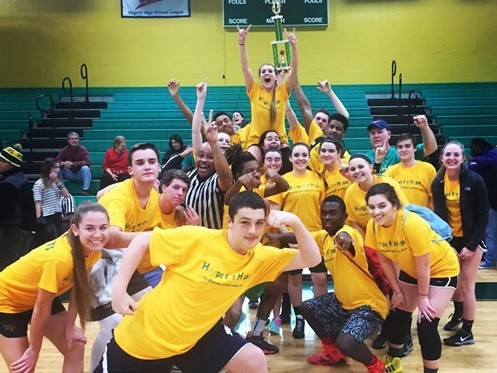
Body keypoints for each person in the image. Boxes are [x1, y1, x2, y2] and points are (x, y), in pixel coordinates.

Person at [96, 191, 321, 373]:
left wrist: (296, 222)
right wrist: (119, 291)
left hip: (196, 337)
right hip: (143, 341)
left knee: (252, 359)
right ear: (229, 222)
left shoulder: (261, 258)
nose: (253, 231)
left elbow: (312, 258)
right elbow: (142, 241)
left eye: (259, 223)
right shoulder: (198, 238)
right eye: (245, 222)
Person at [89, 169, 198, 372]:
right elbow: (100, 195)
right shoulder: (147, 198)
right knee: (112, 323)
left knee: (159, 312)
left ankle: (161, 359)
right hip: (110, 263)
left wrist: (192, 230)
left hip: (146, 270)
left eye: (184, 189)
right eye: (175, 187)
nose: (180, 193)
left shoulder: (181, 218)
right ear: (163, 187)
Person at [0, 202, 109, 373]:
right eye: (90, 228)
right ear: (74, 229)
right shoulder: (60, 259)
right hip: (8, 301)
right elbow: (42, 308)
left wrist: (70, 326)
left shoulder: (93, 249)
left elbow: (79, 290)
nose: (97, 234)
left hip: (37, 299)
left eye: (103, 228)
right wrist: (34, 350)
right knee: (22, 368)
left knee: (75, 345)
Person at [365, 183, 460, 373]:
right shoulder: (374, 226)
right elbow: (384, 261)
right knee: (399, 313)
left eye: (382, 206)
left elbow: (424, 265)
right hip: (412, 270)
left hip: (441, 269)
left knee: (426, 322)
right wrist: (398, 291)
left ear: (395, 205)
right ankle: (394, 359)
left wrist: (423, 297)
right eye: (372, 207)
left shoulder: (411, 223)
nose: (376, 212)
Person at [293, 196, 388, 372]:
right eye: (324, 214)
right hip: (343, 304)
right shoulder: (325, 237)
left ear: (344, 217)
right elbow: (299, 236)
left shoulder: (347, 233)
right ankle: (333, 354)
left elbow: (346, 238)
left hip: (369, 306)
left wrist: (344, 241)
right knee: (307, 307)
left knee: (346, 342)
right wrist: (268, 234)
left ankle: (377, 366)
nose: (327, 217)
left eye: (333, 213)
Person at [431, 141, 489, 347]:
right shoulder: (437, 182)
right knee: (453, 283)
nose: (452, 158)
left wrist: (471, 246)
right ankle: (457, 314)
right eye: (448, 155)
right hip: (450, 241)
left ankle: (467, 332)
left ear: (463, 157)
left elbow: (483, 217)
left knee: (466, 287)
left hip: (472, 240)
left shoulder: (475, 180)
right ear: (442, 158)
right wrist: (444, 244)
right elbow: (439, 217)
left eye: (456, 154)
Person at [267, 142, 326, 339]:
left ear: (309, 157)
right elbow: (275, 213)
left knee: (320, 278)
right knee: (295, 279)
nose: (301, 158)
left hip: (316, 237)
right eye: (297, 155)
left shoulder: (317, 178)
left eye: (304, 155)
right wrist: (288, 236)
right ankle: (299, 317)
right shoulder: (283, 180)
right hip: (291, 239)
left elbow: (322, 208)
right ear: (290, 158)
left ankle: (319, 316)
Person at [237, 25, 299, 163]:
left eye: (270, 71)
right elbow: (245, 67)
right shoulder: (255, 90)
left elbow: (294, 69)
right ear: (260, 78)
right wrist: (241, 43)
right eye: (263, 71)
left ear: (276, 76)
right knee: (250, 163)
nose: (266, 73)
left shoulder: (282, 91)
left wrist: (294, 46)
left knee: (288, 165)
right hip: (256, 140)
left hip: (280, 141)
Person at [187, 81, 233, 229]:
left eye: (210, 156)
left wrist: (214, 143)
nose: (203, 160)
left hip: (214, 239)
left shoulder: (219, 179)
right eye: (200, 155)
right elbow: (195, 132)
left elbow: (226, 178)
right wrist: (200, 100)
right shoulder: (189, 176)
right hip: (192, 238)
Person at [344, 154, 408, 238]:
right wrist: (366, 246)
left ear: (370, 168)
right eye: (352, 169)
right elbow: (354, 223)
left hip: (398, 233)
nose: (357, 171)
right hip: (371, 238)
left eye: (361, 167)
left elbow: (404, 210)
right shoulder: (350, 192)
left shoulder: (389, 183)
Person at [0, 143, 36, 271]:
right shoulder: (20, 179)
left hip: (11, 229)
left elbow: (3, 210)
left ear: (11, 164)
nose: (0, 163)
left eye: (2, 161)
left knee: (7, 264)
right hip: (23, 228)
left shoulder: (9, 184)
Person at [365, 116, 437, 175]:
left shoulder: (401, 152)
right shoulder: (365, 158)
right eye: (372, 133)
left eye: (380, 132)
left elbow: (430, 148)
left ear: (389, 134)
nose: (376, 135)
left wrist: (424, 127)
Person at [384, 133, 436, 208]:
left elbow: (434, 198)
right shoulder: (391, 171)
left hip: (421, 217)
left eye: (407, 146)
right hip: (399, 217)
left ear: (415, 148)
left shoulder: (428, 169)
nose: (403, 150)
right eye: (400, 147)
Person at [468, 137, 497, 269]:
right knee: (490, 233)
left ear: (479, 146)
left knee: (491, 233)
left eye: (473, 146)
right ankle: (490, 261)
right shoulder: (479, 161)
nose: (472, 149)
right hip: (490, 202)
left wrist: (474, 160)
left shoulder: (492, 154)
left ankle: (490, 261)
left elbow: (493, 160)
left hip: (492, 200)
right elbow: (470, 171)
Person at [32, 158, 71, 246]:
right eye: (55, 167)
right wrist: (39, 217)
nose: (58, 169)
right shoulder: (39, 184)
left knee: (60, 239)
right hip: (46, 216)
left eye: (58, 167)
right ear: (49, 168)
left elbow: (66, 195)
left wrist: (57, 181)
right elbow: (38, 202)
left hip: (57, 213)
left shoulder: (58, 182)